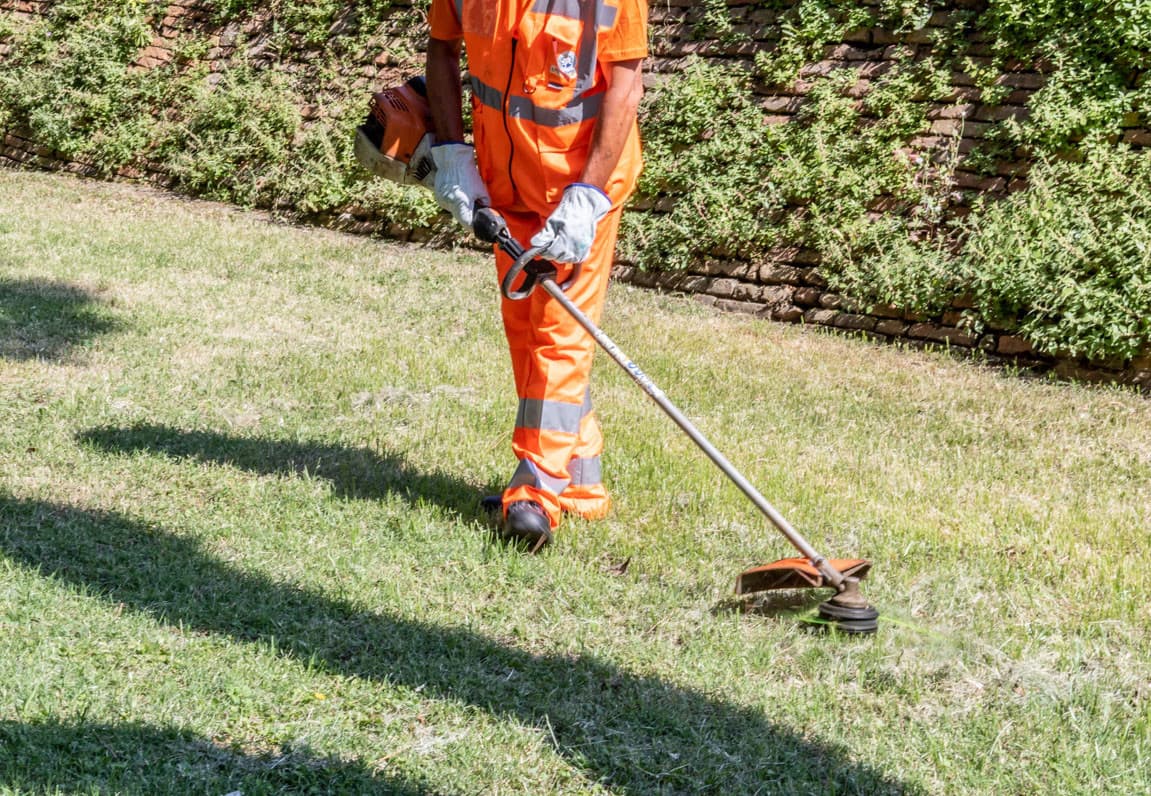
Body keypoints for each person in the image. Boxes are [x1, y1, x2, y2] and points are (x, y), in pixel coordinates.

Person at [425, 0, 648, 550]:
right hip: (507, 189)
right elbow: (441, 48)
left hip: (580, 194)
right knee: (526, 330)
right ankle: (580, 483)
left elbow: (625, 89)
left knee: (559, 336)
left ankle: (536, 489)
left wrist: (588, 197)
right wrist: (453, 153)